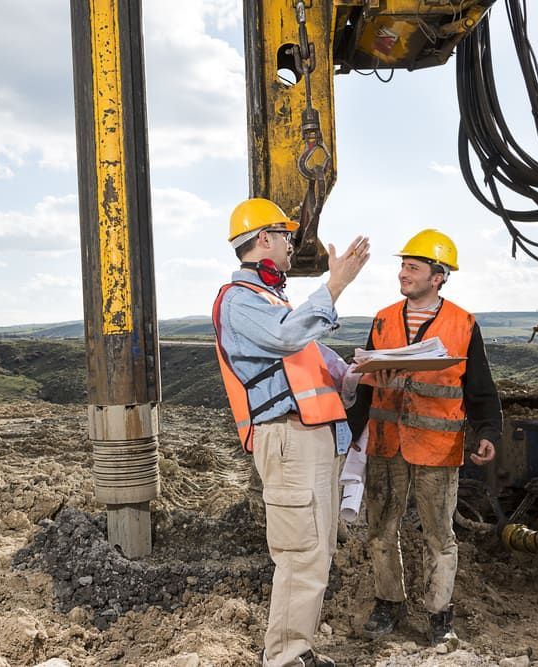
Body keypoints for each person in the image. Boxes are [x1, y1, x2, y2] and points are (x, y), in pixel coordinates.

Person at [212, 197, 369, 667]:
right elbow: (285, 337)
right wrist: (334, 285)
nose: (290, 246)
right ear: (264, 239)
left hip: (313, 439)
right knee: (300, 555)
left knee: (315, 556)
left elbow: (319, 370)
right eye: (285, 237)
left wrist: (356, 375)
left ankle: (296, 651)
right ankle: (283, 659)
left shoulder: (274, 302)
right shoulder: (240, 301)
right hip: (288, 440)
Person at [346, 229, 502, 648]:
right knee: (380, 527)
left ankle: (438, 613)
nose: (403, 273)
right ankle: (388, 602)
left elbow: (480, 387)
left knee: (439, 534)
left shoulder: (463, 323)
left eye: (413, 267)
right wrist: (349, 433)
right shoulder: (382, 319)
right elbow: (363, 385)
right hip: (385, 442)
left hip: (437, 446)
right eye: (402, 266)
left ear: (439, 276)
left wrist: (488, 431)